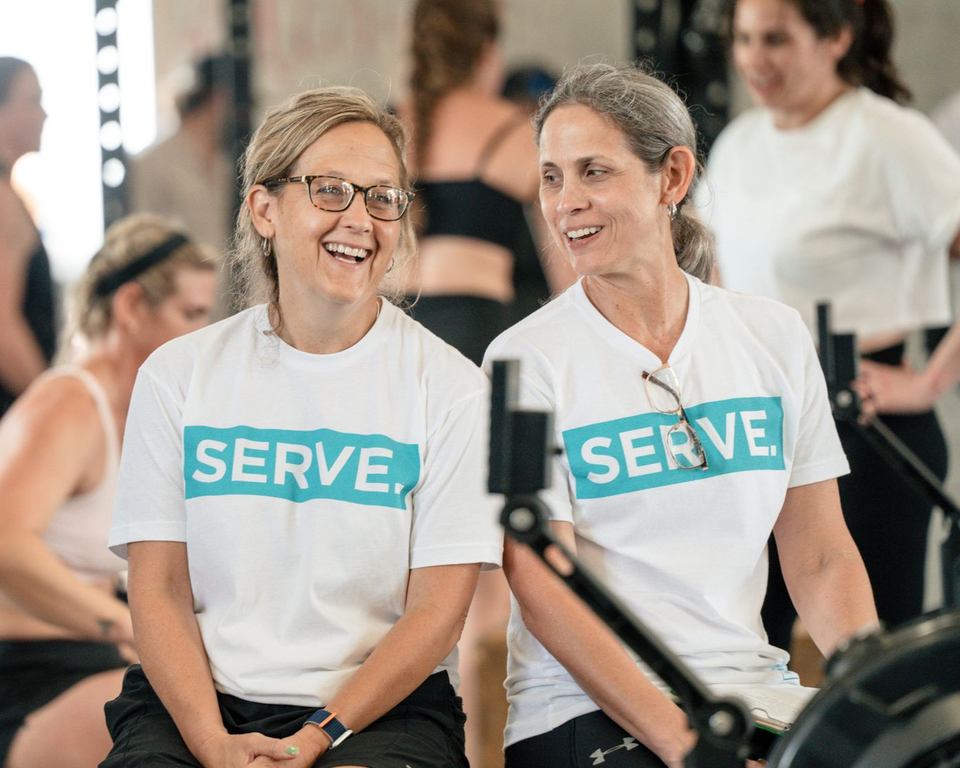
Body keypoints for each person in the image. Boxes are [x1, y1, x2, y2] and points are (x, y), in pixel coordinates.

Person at [483, 62, 879, 768]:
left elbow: (820, 557)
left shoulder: (773, 335)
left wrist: (871, 709)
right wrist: (688, 746)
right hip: (584, 709)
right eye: (550, 178)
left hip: (753, 698)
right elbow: (544, 590)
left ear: (672, 176)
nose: (565, 202)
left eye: (593, 172)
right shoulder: (525, 360)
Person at [99, 86, 502, 768]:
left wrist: (316, 736)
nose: (361, 219)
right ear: (264, 208)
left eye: (383, 198)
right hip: (201, 698)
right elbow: (159, 588)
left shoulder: (452, 389)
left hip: (380, 709)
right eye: (331, 190)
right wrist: (212, 743)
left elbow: (436, 613)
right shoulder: (178, 376)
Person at [701, 0, 960, 648]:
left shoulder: (886, 135)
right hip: (761, 422)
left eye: (776, 39)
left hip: (867, 427)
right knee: (749, 648)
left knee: (873, 663)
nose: (754, 60)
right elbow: (716, 281)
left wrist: (928, 383)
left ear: (837, 37)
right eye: (743, 39)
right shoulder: (738, 144)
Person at [0, 213, 217, 768]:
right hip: (25, 671)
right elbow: (5, 543)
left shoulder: (151, 418)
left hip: (89, 657)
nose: (204, 337)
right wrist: (130, 624)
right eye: (191, 314)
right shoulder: (69, 403)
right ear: (131, 306)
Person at [402, 0, 575, 366]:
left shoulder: (385, 124)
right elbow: (570, 278)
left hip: (389, 328)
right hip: (474, 331)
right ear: (487, 50)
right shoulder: (513, 131)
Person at [0, 57, 55, 419]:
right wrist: (50, 410)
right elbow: (2, 326)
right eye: (33, 101)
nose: (44, 114)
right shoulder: (3, 204)